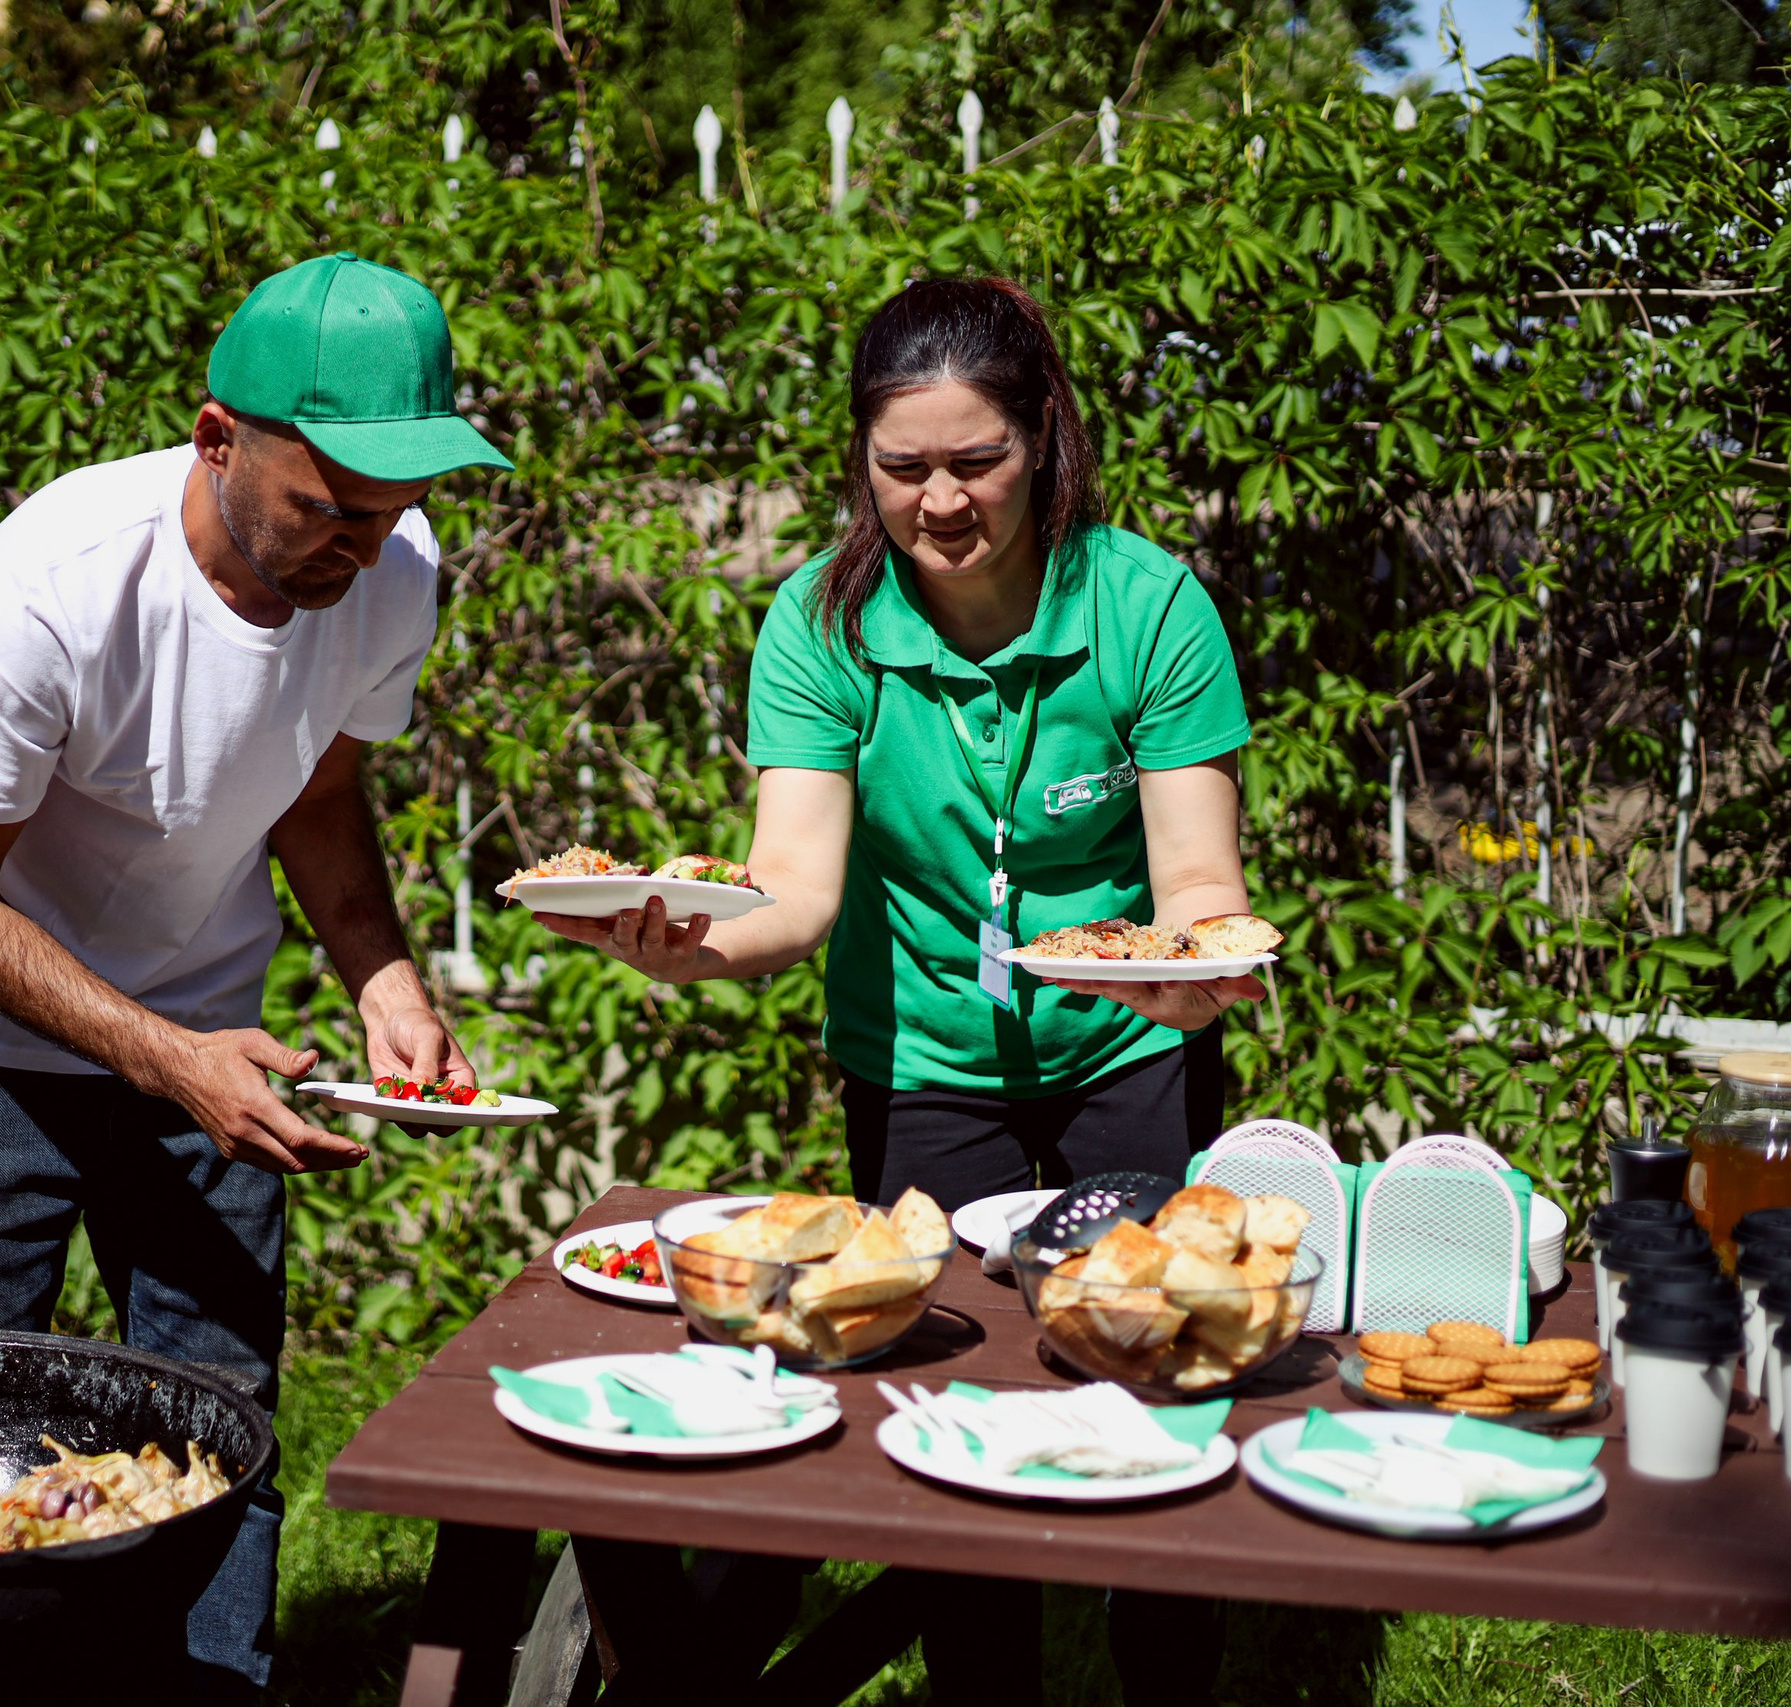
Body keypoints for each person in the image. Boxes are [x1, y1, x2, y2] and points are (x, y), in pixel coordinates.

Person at [533, 275, 1261, 1706]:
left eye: (976, 461)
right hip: (919, 1060)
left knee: (1163, 1376)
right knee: (946, 1400)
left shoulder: (1148, 606)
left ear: (1043, 438)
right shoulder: (822, 623)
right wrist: (684, 943)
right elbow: (792, 888)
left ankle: (1170, 1673)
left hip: (1129, 1046)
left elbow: (1195, 879)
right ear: (861, 462)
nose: (940, 502)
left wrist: (1196, 974)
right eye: (902, 466)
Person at [0, 252, 508, 1702]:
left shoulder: (392, 570)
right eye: (331, 508)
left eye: (397, 509)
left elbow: (320, 796)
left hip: (208, 1027)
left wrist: (388, 983)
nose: (369, 549)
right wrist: (167, 1059)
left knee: (221, 1416)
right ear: (218, 438)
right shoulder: (50, 587)